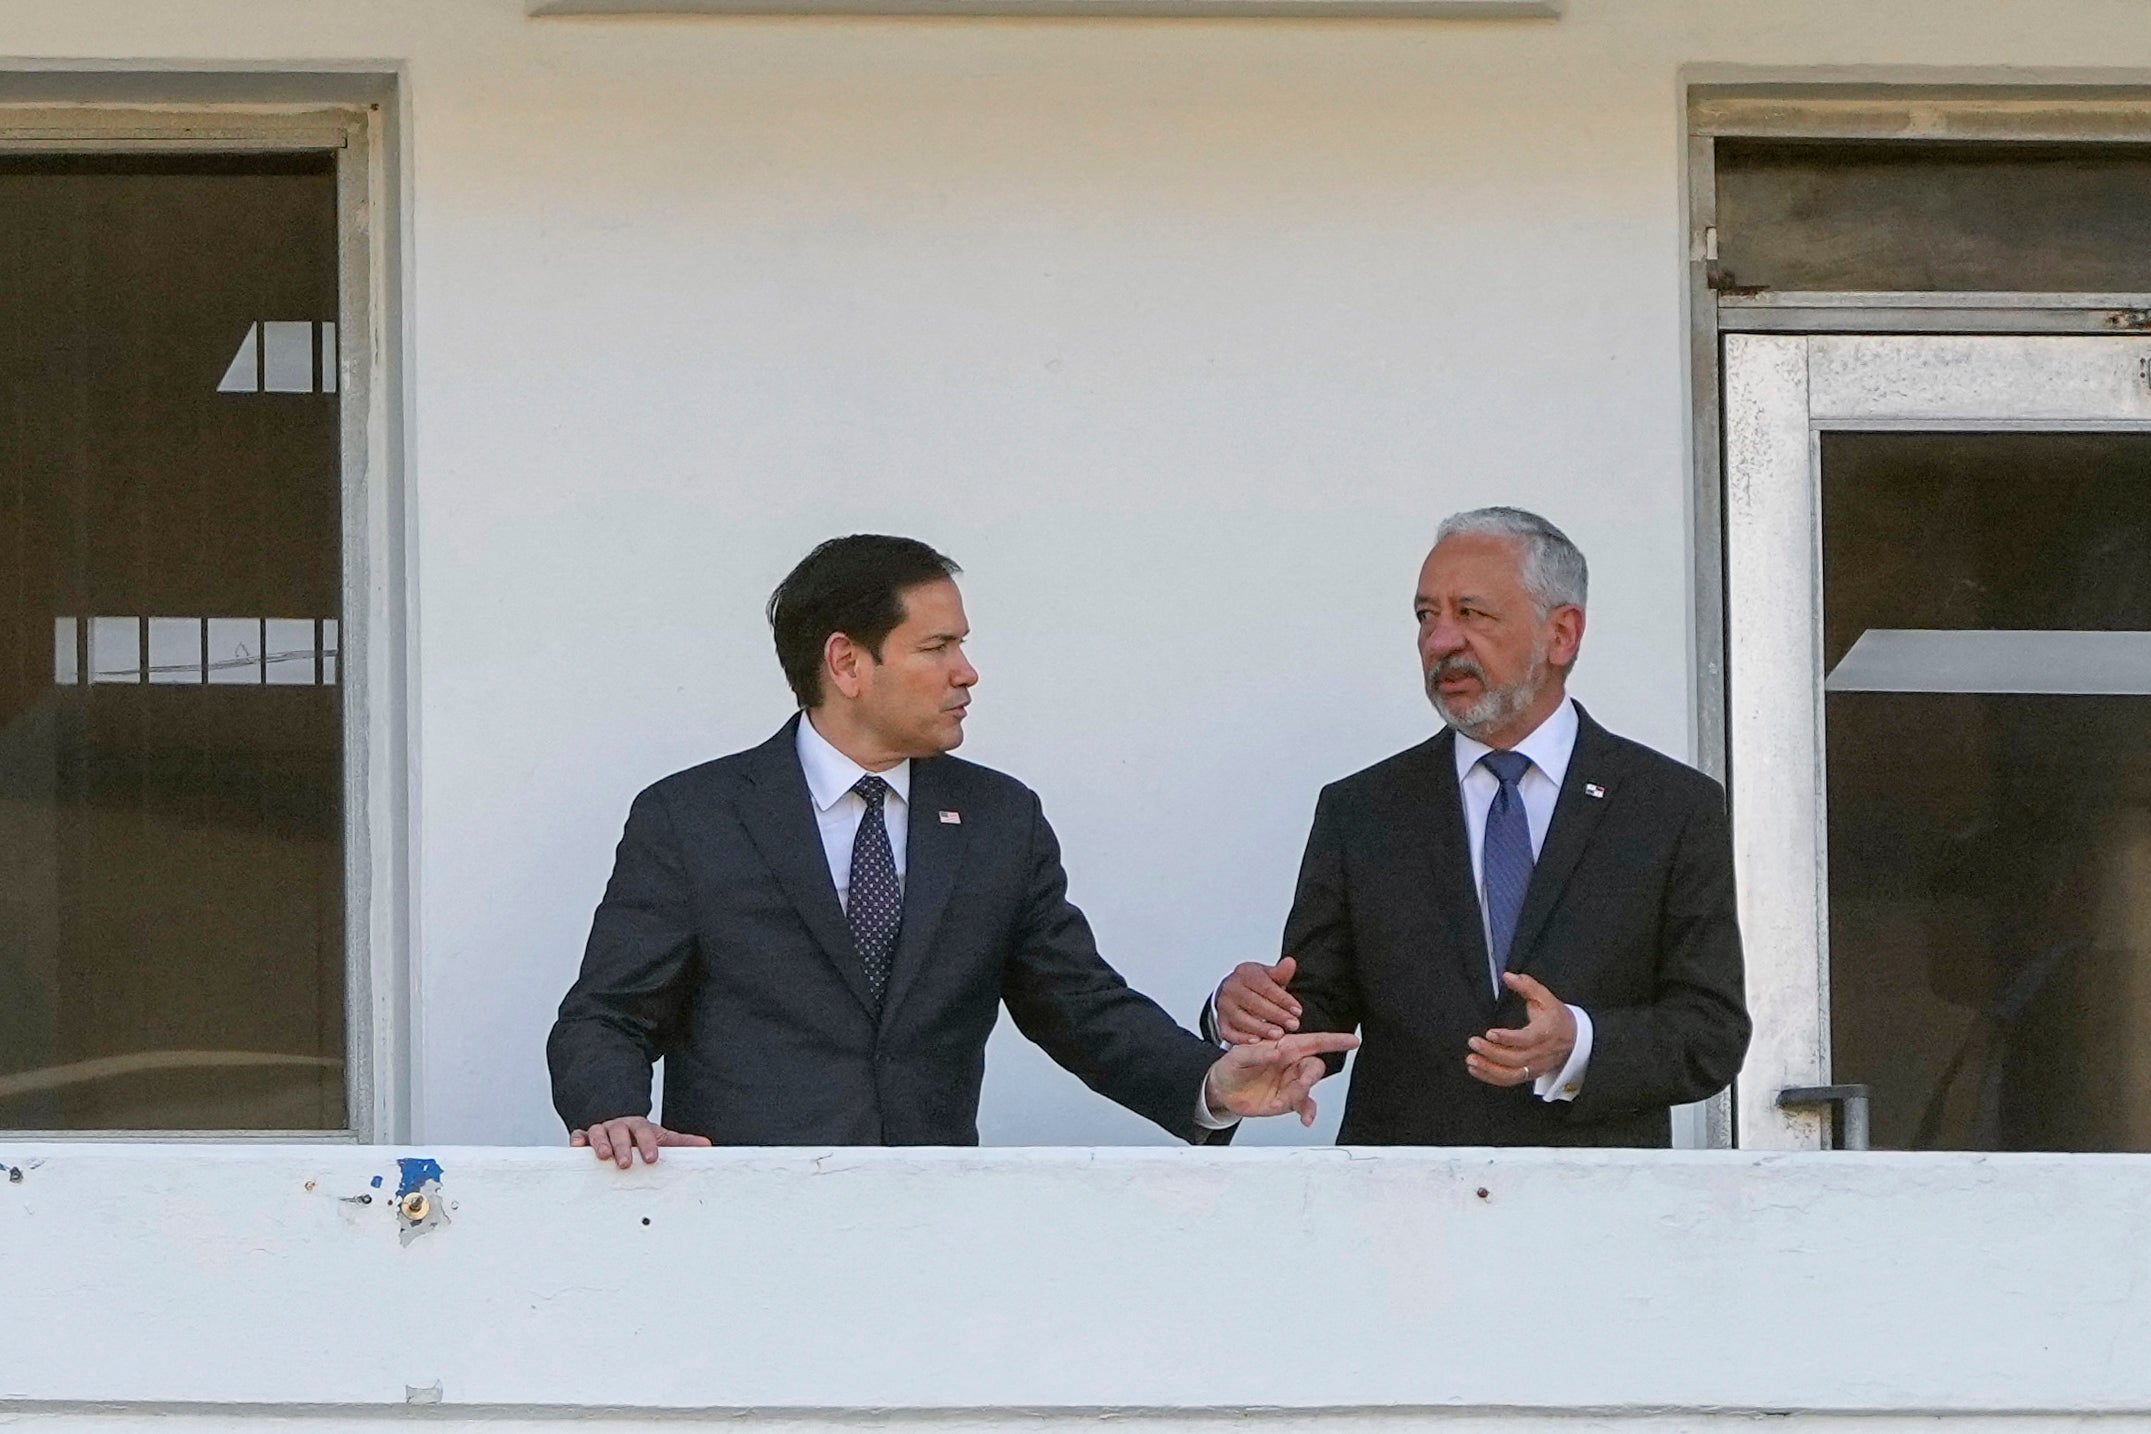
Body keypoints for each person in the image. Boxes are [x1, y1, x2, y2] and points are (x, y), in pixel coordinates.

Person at [550, 534, 1354, 1163]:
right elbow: (607, 1013)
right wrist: (612, 1112)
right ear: (846, 662)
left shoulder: (999, 818)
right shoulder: (693, 816)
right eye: (936, 648)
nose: (966, 672)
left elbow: (1078, 1007)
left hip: (932, 1226)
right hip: (736, 1220)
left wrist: (1209, 1084)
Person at [1207, 507, 1749, 1146]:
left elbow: (1709, 1030)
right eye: (1426, 616)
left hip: (1598, 1208)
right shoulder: (1363, 809)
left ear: (1562, 635)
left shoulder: (1668, 806)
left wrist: (1577, 1044)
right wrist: (1244, 1015)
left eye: (1472, 614)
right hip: (1400, 1209)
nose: (1440, 643)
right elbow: (1318, 1007)